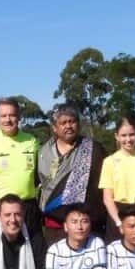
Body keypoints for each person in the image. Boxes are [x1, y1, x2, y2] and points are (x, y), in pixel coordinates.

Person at [38, 104, 107, 244]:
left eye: (72, 121)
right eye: (63, 122)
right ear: (54, 128)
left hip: (88, 226)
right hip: (55, 226)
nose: (68, 126)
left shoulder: (94, 149)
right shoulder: (43, 153)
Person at [0, 97, 41, 236]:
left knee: (33, 254)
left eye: (12, 115)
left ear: (19, 116)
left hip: (28, 207)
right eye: (3, 116)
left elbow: (39, 175)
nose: (8, 120)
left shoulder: (32, 141)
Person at [98, 116, 135, 242]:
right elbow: (107, 198)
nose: (128, 139)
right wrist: (119, 223)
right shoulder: (109, 162)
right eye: (123, 135)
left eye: (132, 135)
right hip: (118, 216)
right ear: (117, 136)